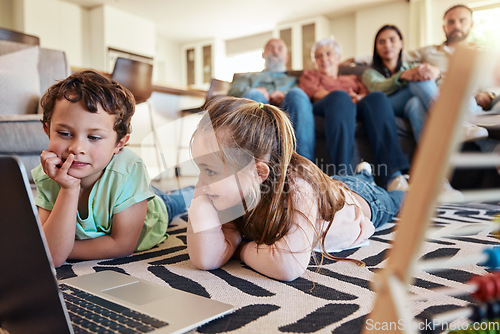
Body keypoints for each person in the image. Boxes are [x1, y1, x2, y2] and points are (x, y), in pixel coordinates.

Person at [186, 96, 405, 281]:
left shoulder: (299, 189)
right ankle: (363, 172)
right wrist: (201, 202)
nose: (201, 183)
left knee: (401, 201)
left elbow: (287, 267)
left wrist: (242, 248)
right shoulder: (233, 191)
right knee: (348, 180)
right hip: (330, 185)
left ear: (258, 173)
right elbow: (205, 258)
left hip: (360, 202)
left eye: (210, 171)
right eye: (200, 169)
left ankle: (375, 179)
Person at [31, 70, 192, 267]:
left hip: (150, 209)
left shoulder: (130, 168)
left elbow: (122, 245)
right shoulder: (48, 173)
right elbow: (53, 256)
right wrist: (69, 188)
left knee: (176, 200)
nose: (77, 148)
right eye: (64, 133)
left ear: (119, 143)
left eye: (94, 137)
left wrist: (62, 247)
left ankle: (192, 191)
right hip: (121, 194)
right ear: (47, 130)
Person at [297, 37, 410, 191]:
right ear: (315, 61)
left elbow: (365, 94)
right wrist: (345, 96)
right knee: (340, 97)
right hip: (327, 105)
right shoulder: (310, 75)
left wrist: (359, 97)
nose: (324, 59)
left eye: (328, 54)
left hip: (353, 106)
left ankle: (393, 176)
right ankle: (343, 176)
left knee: (377, 98)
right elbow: (315, 93)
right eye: (319, 56)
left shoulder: (352, 78)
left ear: (338, 57)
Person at [405, 4, 493, 139]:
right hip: (435, 97)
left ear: (471, 24)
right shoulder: (428, 51)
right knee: (415, 103)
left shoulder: (482, 54)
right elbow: (393, 55)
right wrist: (359, 61)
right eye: (451, 22)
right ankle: (458, 131)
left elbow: (494, 83)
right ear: (444, 27)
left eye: (462, 20)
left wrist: (488, 93)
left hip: (469, 102)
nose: (456, 25)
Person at [228, 38, 315, 161]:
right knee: (254, 95)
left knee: (297, 94)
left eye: (280, 49)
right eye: (270, 47)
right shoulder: (247, 77)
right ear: (263, 54)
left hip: (287, 110)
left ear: (286, 56)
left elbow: (304, 98)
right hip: (258, 109)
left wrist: (284, 95)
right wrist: (257, 90)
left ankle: (303, 167)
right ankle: (256, 165)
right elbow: (233, 93)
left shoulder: (294, 80)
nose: (274, 51)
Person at [362, 25, 440, 142]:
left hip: (409, 104)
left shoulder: (412, 67)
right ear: (376, 47)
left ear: (401, 43)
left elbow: (434, 82)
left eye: (392, 40)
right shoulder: (369, 73)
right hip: (388, 104)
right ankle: (449, 122)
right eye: (382, 42)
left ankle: (429, 156)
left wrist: (436, 72)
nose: (387, 45)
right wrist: (403, 76)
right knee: (416, 82)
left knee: (415, 104)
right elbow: (377, 88)